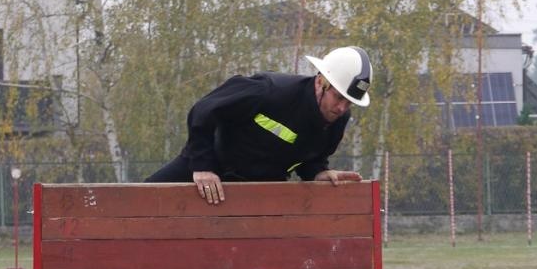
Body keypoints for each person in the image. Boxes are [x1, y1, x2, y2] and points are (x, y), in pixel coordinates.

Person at [145, 46, 373, 204]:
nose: (342, 108)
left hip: (260, 191)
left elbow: (309, 157)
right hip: (207, 168)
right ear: (321, 83)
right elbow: (205, 110)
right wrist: (203, 167)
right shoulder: (269, 90)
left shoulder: (337, 120)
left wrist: (318, 173)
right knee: (139, 202)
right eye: (339, 97)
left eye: (350, 102)